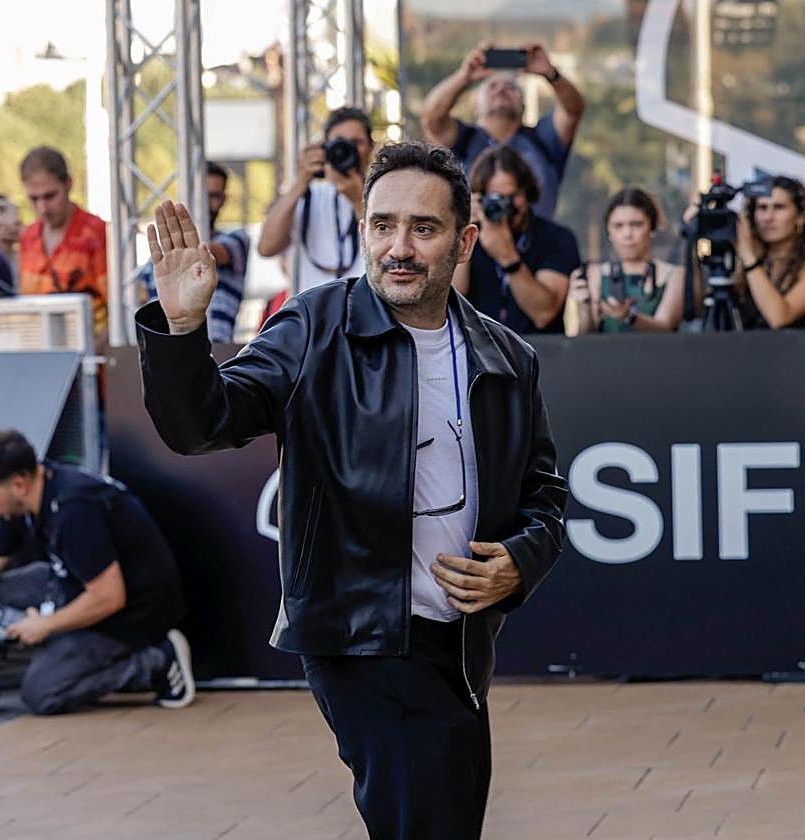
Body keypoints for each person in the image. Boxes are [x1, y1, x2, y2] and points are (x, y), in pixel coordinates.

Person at [136, 141, 567, 838]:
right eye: (383, 224)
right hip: (358, 633)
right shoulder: (313, 326)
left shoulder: (506, 357)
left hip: (457, 645)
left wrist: (520, 560)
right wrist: (184, 330)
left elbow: (543, 494)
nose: (399, 247)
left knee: (448, 815)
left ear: (463, 242)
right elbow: (202, 425)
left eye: (423, 229)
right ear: (364, 228)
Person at [0, 429, 193, 714]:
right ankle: (56, 653)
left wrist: (45, 625)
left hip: (133, 613)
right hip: (73, 582)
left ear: (19, 484)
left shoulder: (74, 509)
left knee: (41, 692)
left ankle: (156, 662)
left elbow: (110, 597)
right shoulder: (22, 502)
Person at [420, 42, 585, 219]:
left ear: (523, 105)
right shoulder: (463, 140)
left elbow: (572, 110)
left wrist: (551, 74)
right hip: (473, 242)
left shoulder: (543, 139)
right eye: (492, 87)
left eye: (510, 88)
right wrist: (464, 77)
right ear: (475, 105)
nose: (501, 90)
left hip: (535, 244)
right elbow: (432, 117)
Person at [453, 144, 580, 333]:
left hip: (541, 354)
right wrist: (463, 234)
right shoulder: (469, 237)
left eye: (513, 196)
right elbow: (452, 300)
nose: (507, 207)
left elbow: (544, 313)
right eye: (496, 198)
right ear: (479, 198)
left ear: (527, 192)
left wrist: (507, 257)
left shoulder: (556, 238)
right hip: (479, 352)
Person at [257, 107, 373, 294]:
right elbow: (266, 247)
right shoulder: (309, 195)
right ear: (325, 148)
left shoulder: (383, 194)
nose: (346, 150)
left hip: (366, 310)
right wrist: (301, 181)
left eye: (356, 142)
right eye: (339, 143)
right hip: (314, 313)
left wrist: (358, 201)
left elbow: (387, 248)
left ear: (370, 148)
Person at [142, 161, 247, 344]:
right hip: (169, 349)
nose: (205, 203)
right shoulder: (157, 261)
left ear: (223, 200)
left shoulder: (236, 240)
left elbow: (210, 253)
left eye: (213, 196)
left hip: (220, 352)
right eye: (200, 195)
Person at [18, 146, 109, 348]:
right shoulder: (27, 237)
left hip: (90, 360)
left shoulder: (97, 234)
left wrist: (89, 355)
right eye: (34, 199)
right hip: (41, 355)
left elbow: (120, 310)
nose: (42, 208)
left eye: (50, 196)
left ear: (68, 184)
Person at [567, 187, 684, 333]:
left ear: (652, 227)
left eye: (636, 224)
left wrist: (629, 317)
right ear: (609, 231)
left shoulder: (674, 274)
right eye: (618, 226)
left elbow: (666, 328)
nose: (627, 234)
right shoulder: (595, 273)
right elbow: (586, 335)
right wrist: (583, 307)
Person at [733, 176, 805, 329]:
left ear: (800, 217)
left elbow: (779, 317)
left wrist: (748, 256)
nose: (768, 217)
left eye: (779, 207)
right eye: (762, 208)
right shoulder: (751, 264)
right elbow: (697, 308)